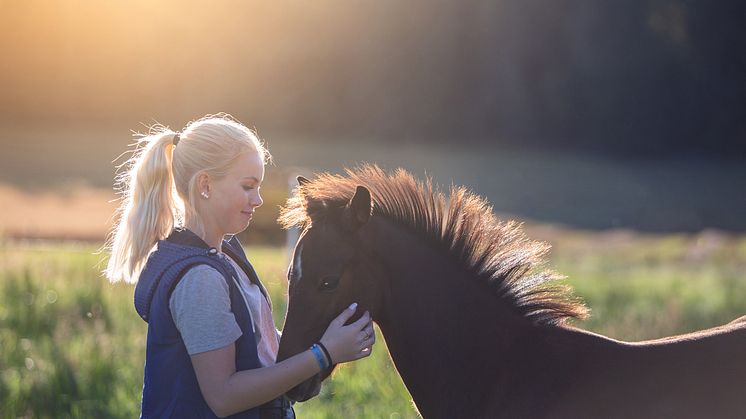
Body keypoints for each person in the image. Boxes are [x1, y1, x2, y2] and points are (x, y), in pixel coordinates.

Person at [105, 114, 376, 418]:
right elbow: (224, 395)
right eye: (248, 186)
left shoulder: (227, 254)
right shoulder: (199, 280)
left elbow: (255, 346)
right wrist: (323, 354)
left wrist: (333, 337)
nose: (258, 199)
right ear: (205, 185)